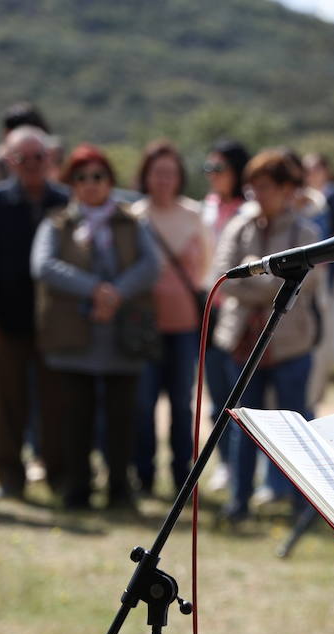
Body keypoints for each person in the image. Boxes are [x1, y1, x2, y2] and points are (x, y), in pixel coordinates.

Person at [31, 144, 159, 510]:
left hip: (122, 336)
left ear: (110, 181)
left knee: (122, 418)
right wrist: (95, 289)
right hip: (74, 334)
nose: (90, 184)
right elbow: (43, 266)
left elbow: (151, 266)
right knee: (75, 419)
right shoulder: (57, 222)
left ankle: (120, 489)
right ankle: (77, 489)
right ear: (72, 183)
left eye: (98, 176)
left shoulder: (133, 222)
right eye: (81, 177)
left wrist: (115, 293)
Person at [210, 148, 320, 521]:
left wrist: (253, 276)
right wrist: (272, 282)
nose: (259, 193)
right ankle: (238, 503)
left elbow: (308, 281)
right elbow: (224, 279)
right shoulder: (238, 227)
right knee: (242, 426)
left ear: (287, 189)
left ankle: (303, 505)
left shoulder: (306, 233)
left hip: (290, 344)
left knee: (294, 431)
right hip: (242, 343)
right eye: (254, 186)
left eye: (268, 185)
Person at [0, 125, 69, 499]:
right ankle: (8, 479)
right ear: (9, 162)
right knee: (5, 403)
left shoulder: (66, 201)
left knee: (58, 404)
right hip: (6, 320)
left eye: (39, 157)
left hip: (56, 323)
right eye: (23, 158)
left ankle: (60, 478)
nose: (32, 165)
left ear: (49, 159)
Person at [129, 140, 210, 497]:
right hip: (143, 325)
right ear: (146, 175)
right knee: (143, 403)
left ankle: (182, 478)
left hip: (184, 326)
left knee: (181, 403)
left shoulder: (194, 215)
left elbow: (207, 266)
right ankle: (143, 476)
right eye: (157, 172)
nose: (163, 179)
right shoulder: (134, 217)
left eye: (170, 173)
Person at [198, 139, 250, 493]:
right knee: (216, 392)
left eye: (220, 169)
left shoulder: (249, 211)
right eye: (209, 169)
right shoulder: (205, 207)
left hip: (239, 311)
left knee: (241, 397)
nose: (213, 176)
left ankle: (248, 472)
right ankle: (227, 466)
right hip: (208, 308)